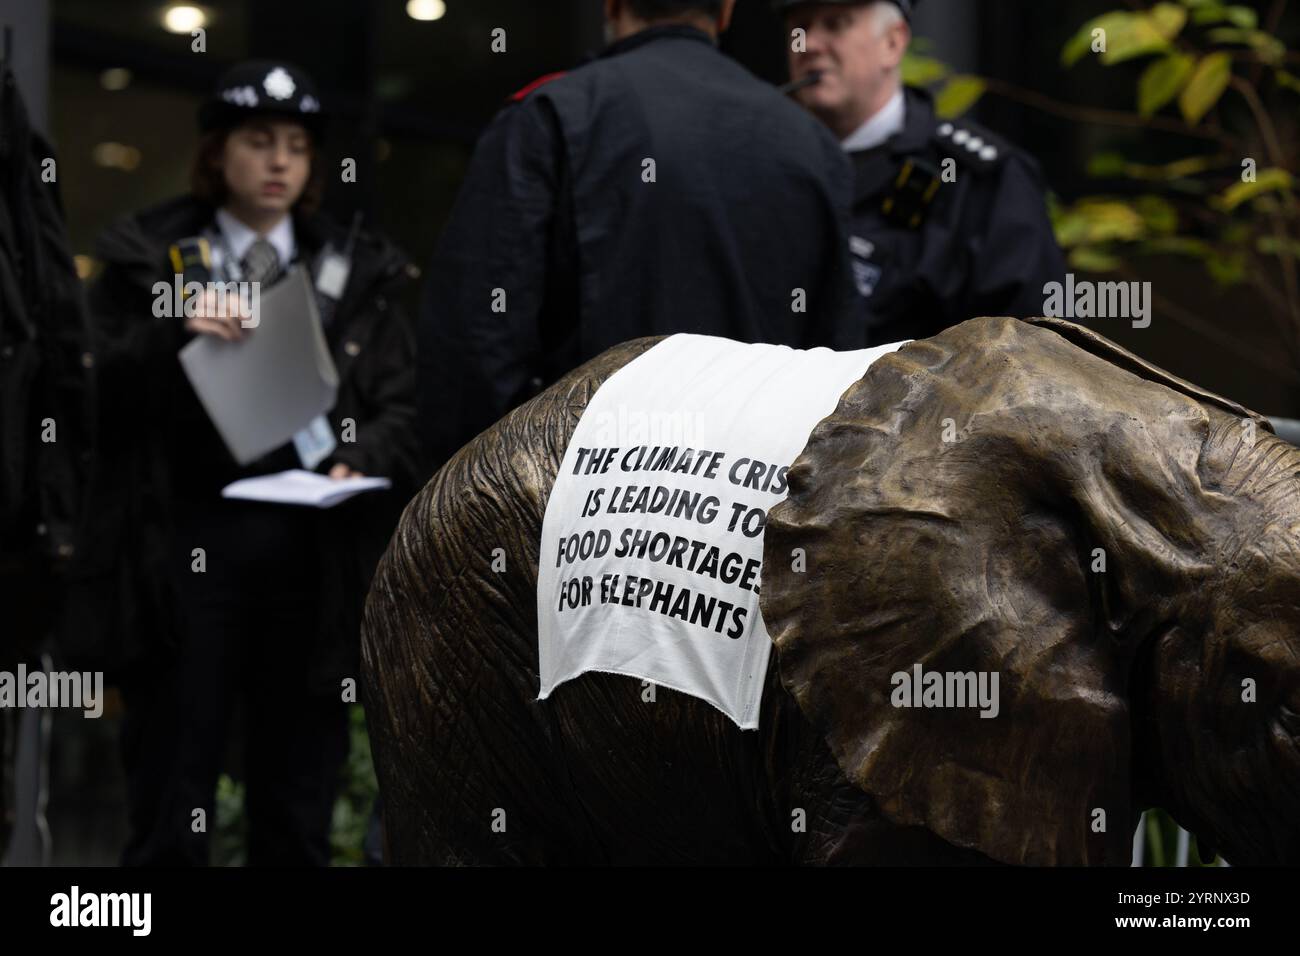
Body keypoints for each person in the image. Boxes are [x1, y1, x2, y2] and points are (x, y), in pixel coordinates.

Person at [83, 60, 422, 865]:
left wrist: (357, 455)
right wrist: (176, 330)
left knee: (298, 800)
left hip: (312, 564)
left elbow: (402, 406)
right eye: (258, 141)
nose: (279, 161)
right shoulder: (152, 253)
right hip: (186, 555)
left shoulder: (355, 263)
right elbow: (92, 389)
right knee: (172, 788)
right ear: (217, 151)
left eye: (297, 146)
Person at [418, 0, 863, 469]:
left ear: (611, 6)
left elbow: (474, 350)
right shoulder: (813, 146)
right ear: (728, 10)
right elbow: (842, 367)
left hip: (588, 505)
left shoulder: (552, 114)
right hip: (751, 507)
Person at [776, 0, 1066, 345]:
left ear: (893, 42)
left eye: (836, 24)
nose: (808, 44)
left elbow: (1039, 353)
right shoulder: (765, 162)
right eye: (800, 27)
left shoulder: (979, 180)